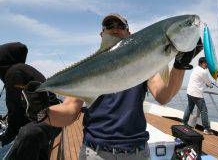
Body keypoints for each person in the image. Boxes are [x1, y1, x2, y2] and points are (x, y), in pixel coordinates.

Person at [24, 13, 203, 160]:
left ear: (129, 33)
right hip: (95, 153)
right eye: (109, 26)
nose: (115, 29)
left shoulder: (147, 64)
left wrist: (180, 65)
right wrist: (43, 113)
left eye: (120, 26)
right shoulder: (86, 70)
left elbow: (163, 96)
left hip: (137, 153)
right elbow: (70, 110)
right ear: (102, 35)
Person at [0, 42, 61, 159]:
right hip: (53, 120)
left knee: (27, 135)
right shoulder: (26, 70)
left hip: (45, 123)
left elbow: (15, 111)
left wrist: (5, 138)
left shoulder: (14, 73)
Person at [182, 57, 213, 135]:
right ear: (200, 63)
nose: (206, 65)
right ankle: (206, 129)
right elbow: (208, 83)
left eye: (207, 63)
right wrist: (211, 85)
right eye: (205, 63)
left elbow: (201, 80)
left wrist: (207, 83)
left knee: (189, 107)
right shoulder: (203, 72)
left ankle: (184, 123)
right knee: (204, 110)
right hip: (197, 94)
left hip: (189, 92)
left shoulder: (196, 69)